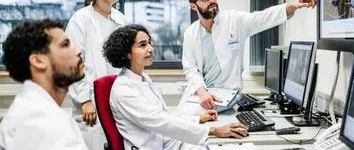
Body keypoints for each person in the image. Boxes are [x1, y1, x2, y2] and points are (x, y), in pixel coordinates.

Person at [179, 0, 317, 113]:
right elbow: (190, 69)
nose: (212, 0)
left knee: (189, 116)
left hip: (227, 92)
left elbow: (262, 18)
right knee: (182, 113)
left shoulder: (234, 21)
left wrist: (292, 6)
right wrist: (202, 91)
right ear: (193, 6)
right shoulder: (190, 33)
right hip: (202, 92)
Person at [103, 24, 248, 150]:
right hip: (150, 147)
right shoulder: (123, 90)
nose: (150, 49)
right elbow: (160, 122)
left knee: (217, 146)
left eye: (149, 43)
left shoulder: (143, 78)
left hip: (164, 142)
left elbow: (163, 116)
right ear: (127, 54)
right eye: (142, 45)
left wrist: (197, 119)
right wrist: (214, 130)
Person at [0, 19, 88, 150]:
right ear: (38, 61)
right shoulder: (44, 122)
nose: (78, 52)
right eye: (65, 45)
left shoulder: (32, 109)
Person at [65, 0, 128, 149]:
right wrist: (84, 100)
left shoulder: (121, 19)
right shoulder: (81, 19)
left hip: (118, 95)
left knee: (118, 142)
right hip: (90, 96)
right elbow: (73, 62)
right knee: (93, 143)